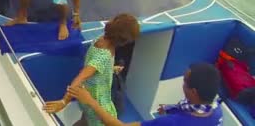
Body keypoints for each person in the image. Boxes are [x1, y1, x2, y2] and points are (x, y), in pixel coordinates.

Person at [44, 14, 141, 126]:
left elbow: (94, 65)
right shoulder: (104, 56)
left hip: (90, 100)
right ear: (123, 40)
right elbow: (81, 77)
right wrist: (64, 101)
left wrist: (110, 69)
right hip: (97, 106)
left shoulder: (100, 39)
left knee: (84, 121)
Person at [67, 62, 223, 126]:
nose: (183, 85)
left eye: (184, 82)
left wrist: (90, 101)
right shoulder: (216, 110)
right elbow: (189, 108)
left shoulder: (171, 123)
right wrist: (170, 108)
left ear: (194, 91)